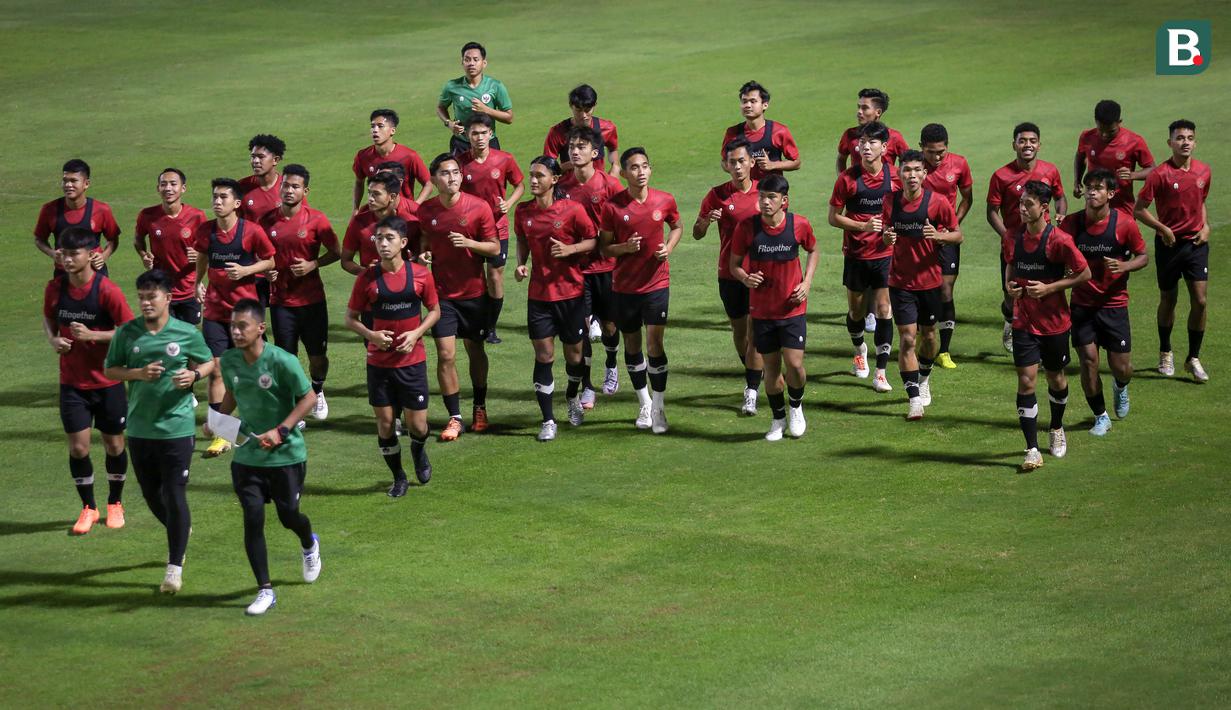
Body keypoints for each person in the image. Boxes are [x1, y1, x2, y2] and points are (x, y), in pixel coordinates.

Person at [103, 269, 214, 594]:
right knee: (152, 495)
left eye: (152, 297)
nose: (146, 303)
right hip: (139, 428)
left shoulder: (185, 333)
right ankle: (180, 528)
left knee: (175, 492)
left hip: (177, 427)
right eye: (141, 297)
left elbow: (208, 363)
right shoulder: (127, 333)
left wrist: (194, 377)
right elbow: (110, 369)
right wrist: (138, 373)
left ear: (167, 298)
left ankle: (174, 568)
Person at [216, 299, 321, 615]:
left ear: (260, 328)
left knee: (289, 516)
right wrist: (219, 420)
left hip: (286, 456)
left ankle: (308, 542)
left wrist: (282, 430)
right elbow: (234, 391)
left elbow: (309, 398)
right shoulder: (230, 361)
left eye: (242, 326)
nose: (235, 331)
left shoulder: (282, 361)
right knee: (252, 518)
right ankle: (265, 590)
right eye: (233, 326)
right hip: (248, 457)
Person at [44, 227, 135, 534]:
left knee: (113, 445)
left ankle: (115, 502)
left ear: (90, 255)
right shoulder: (55, 288)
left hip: (108, 381)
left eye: (74, 254)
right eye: (64, 254)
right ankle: (88, 508)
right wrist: (54, 339)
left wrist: (93, 335)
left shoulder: (107, 290)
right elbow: (48, 317)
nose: (67, 260)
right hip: (72, 382)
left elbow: (130, 331)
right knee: (79, 449)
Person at [345, 217, 440, 497]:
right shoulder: (367, 278)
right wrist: (372, 336)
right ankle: (398, 476)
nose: (383, 244)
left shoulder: (421, 275)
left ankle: (419, 450)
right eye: (378, 239)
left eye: (388, 238)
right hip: (379, 364)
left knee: (418, 425)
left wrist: (416, 334)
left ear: (403, 242)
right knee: (385, 424)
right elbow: (350, 318)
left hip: (412, 362)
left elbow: (435, 311)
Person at [1004, 181, 1090, 471]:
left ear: (1044, 208)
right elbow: (1011, 266)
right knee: (1026, 380)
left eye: (1028, 204)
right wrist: (1010, 287)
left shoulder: (1060, 240)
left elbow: (1084, 273)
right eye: (1021, 203)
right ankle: (1031, 449)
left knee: (1056, 378)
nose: (1023, 209)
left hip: (1054, 323)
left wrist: (1051, 288)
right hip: (1023, 320)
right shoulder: (1012, 236)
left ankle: (1056, 427)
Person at [513, 157, 598, 440]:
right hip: (539, 297)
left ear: (555, 179)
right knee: (544, 356)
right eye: (531, 175)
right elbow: (523, 239)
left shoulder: (572, 210)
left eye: (539, 175)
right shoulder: (523, 211)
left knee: (575, 357)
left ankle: (572, 395)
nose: (533, 180)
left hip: (571, 296)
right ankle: (548, 420)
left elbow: (592, 240)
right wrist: (521, 262)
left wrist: (570, 249)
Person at [599, 147, 682, 434]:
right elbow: (604, 246)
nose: (641, 172)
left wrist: (668, 248)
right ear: (623, 173)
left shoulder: (664, 199)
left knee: (654, 345)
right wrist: (624, 248)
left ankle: (659, 406)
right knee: (632, 346)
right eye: (634, 167)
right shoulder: (613, 207)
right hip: (624, 287)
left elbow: (677, 226)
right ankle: (643, 402)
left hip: (657, 283)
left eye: (645, 166)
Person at [417, 154, 500, 440]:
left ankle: (479, 406)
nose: (451, 178)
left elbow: (494, 248)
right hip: (441, 296)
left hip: (474, 294)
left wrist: (468, 243)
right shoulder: (426, 211)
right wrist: (425, 252)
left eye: (455, 173)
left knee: (475, 350)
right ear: (434, 179)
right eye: (445, 173)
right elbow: (425, 240)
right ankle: (455, 417)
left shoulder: (478, 208)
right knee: (445, 354)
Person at [728, 175, 818, 440]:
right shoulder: (747, 228)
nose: (765, 202)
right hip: (762, 311)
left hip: (792, 309)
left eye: (771, 198)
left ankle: (796, 407)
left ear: (784, 201)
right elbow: (734, 264)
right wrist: (745, 277)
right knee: (772, 369)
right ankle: (778, 420)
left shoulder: (798, 225)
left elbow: (813, 250)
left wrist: (807, 283)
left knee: (795, 364)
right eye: (762, 197)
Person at [1060, 170, 1148, 435]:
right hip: (1082, 305)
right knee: (1088, 361)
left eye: (1098, 188)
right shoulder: (1072, 224)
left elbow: (1143, 256)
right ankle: (1101, 416)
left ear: (1111, 194)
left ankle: (1120, 387)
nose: (1091, 192)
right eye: (1089, 187)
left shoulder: (1124, 224)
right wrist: (1064, 270)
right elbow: (1057, 253)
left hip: (1114, 305)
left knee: (1122, 367)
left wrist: (1125, 266)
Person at [193, 178, 276, 457]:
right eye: (214, 197)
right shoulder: (206, 231)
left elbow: (271, 260)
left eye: (223, 197)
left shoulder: (251, 231)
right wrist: (197, 283)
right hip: (216, 311)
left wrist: (246, 271)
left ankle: (269, 422)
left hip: (245, 314)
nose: (217, 201)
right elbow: (202, 257)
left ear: (237, 203)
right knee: (216, 370)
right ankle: (222, 435)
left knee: (256, 370)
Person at [880, 151, 963, 420]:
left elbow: (958, 235)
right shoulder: (890, 201)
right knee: (906, 338)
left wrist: (938, 235)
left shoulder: (937, 203)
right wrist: (887, 238)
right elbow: (885, 234)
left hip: (929, 282)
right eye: (906, 170)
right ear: (899, 173)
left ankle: (924, 376)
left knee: (928, 337)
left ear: (924, 174)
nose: (911, 175)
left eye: (917, 170)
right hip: (900, 281)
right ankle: (914, 399)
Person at [258, 164, 340, 421]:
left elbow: (337, 252)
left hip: (312, 300)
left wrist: (312, 264)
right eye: (286, 185)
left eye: (295, 186)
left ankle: (316, 390)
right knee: (287, 359)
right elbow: (260, 255)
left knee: (317, 356)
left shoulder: (316, 219)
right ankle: (296, 404)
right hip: (281, 300)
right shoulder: (266, 221)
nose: (289, 190)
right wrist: (266, 273)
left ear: (305, 190)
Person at [1135, 119, 1212, 383]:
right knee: (1169, 299)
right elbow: (1139, 209)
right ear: (1170, 143)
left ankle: (1193, 357)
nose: (1185, 142)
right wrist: (1162, 228)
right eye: (1180, 138)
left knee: (1200, 301)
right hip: (1168, 245)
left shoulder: (1203, 171)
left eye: (1190, 137)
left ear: (1195, 141)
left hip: (1196, 244)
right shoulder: (1159, 174)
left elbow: (1200, 202)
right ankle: (1165, 350)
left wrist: (1206, 226)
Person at [828, 121, 900, 393]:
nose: (864, 147)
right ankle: (860, 351)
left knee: (884, 310)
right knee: (857, 312)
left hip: (885, 253)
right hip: (857, 254)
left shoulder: (895, 177)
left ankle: (881, 371)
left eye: (871, 143)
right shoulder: (847, 179)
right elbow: (833, 218)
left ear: (884, 147)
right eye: (862, 142)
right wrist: (863, 227)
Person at [694, 138, 763, 415]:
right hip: (729, 274)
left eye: (741, 161)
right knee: (739, 330)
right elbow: (697, 234)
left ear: (751, 163)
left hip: (760, 275)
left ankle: (751, 390)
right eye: (732, 162)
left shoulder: (764, 193)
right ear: (725, 165)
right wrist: (704, 221)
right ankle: (752, 368)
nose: (737, 167)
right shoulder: (716, 195)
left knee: (756, 332)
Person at [559, 126, 625, 408]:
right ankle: (587, 385)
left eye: (581, 146)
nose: (575, 151)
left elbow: (626, 218)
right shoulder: (561, 186)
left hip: (607, 267)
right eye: (572, 146)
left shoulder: (610, 185)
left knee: (610, 325)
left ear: (595, 153)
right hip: (576, 270)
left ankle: (611, 364)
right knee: (582, 329)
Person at [987, 122, 1068, 352]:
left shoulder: (1050, 171)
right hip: (1014, 245)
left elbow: (1060, 197)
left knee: (1045, 287)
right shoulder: (1001, 176)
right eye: (1022, 141)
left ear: (1039, 145)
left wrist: (1061, 214)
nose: (1027, 145)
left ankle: (1040, 333)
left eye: (1032, 141)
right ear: (1014, 144)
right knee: (1012, 290)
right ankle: (1010, 319)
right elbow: (992, 212)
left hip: (1045, 244)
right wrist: (1007, 237)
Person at [458, 114, 525, 344]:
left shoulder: (504, 159)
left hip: (498, 228)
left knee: (495, 277)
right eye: (474, 133)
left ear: (491, 134)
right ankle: (473, 323)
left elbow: (519, 185)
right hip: (470, 231)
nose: (479, 138)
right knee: (474, 279)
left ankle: (491, 326)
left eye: (483, 133)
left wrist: (509, 203)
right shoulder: (460, 162)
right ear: (467, 135)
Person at [918, 124, 974, 368]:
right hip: (918, 238)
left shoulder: (959, 164)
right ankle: (923, 334)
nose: (937, 157)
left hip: (947, 236)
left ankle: (945, 350)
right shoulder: (913, 168)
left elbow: (967, 197)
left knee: (945, 290)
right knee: (920, 289)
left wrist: (953, 223)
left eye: (941, 151)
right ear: (922, 148)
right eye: (931, 152)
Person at [135, 168, 209, 324]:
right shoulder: (147, 216)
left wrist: (199, 255)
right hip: (161, 288)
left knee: (188, 334)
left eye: (173, 184)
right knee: (165, 334)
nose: (168, 188)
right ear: (158, 188)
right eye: (163, 184)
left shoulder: (197, 216)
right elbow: (138, 239)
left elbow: (209, 248)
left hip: (189, 289)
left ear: (183, 188)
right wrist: (143, 255)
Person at [34, 159, 121, 276]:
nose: (68, 185)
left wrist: (103, 256)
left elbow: (113, 239)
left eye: (73, 181)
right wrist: (52, 253)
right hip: (63, 275)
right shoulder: (49, 209)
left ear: (86, 184)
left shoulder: (101, 209)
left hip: (95, 274)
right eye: (65, 181)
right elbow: (39, 239)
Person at [1073, 100, 1155, 213]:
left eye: (1111, 131)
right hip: (1094, 205)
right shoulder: (1087, 137)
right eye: (1101, 130)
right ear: (1096, 121)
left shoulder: (1134, 141)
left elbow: (1153, 170)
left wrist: (1133, 175)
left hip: (1122, 206)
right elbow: (1080, 156)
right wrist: (1077, 181)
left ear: (1119, 122)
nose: (1105, 135)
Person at [436, 42, 513, 155]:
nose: (471, 63)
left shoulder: (495, 86)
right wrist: (449, 123)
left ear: (484, 63)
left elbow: (509, 118)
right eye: (467, 59)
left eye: (476, 59)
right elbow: (440, 107)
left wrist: (486, 110)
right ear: (462, 62)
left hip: (488, 143)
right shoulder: (451, 86)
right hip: (461, 143)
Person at [719, 81, 801, 181]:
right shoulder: (732, 133)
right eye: (744, 101)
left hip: (771, 193)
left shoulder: (779, 131)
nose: (747, 105)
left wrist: (772, 165)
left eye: (753, 101)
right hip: (745, 193)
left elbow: (796, 162)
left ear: (765, 105)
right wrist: (737, 169)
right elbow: (724, 161)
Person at [353, 108, 432, 209]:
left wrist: (415, 205)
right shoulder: (363, 156)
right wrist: (356, 208)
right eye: (372, 126)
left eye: (380, 126)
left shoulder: (409, 156)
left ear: (392, 130)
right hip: (377, 212)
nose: (375, 130)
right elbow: (359, 182)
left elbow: (428, 184)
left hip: (402, 214)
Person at [341, 171, 418, 275]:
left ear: (392, 197)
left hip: (405, 285)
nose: (370, 199)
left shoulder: (410, 223)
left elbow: (420, 256)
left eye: (376, 194)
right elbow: (346, 261)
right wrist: (366, 272)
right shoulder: (358, 222)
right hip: (371, 287)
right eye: (369, 193)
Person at [542, 84, 620, 176]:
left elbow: (612, 149)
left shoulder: (607, 128)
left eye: (587, 110)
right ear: (571, 106)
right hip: (569, 188)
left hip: (599, 187)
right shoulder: (557, 132)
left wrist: (615, 166)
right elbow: (547, 166)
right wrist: (572, 164)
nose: (584, 115)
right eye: (579, 110)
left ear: (595, 105)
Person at [835, 89, 909, 174]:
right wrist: (843, 180)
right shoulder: (850, 134)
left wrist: (899, 180)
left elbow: (907, 160)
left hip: (885, 186)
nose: (859, 112)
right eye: (859, 107)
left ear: (878, 112)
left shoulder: (894, 137)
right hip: (858, 186)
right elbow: (841, 159)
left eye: (865, 108)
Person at [239, 134, 287, 221]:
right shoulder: (240, 187)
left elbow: (303, 219)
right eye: (253, 157)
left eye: (261, 157)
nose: (255, 161)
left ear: (275, 160)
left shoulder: (288, 187)